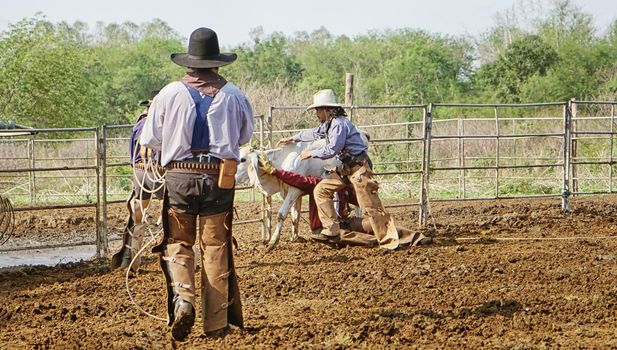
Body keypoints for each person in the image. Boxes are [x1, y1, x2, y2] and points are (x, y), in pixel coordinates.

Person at [139, 27, 254, 341]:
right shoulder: (234, 95)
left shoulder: (168, 93)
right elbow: (244, 137)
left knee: (179, 242)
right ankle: (216, 321)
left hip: (179, 177)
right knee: (215, 246)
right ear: (217, 63)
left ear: (189, 63)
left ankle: (185, 299)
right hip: (220, 176)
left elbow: (150, 138)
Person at [278, 89, 400, 249]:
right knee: (321, 190)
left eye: (317, 109)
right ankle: (331, 230)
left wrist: (311, 153)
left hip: (358, 169)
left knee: (371, 207)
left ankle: (390, 242)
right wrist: (293, 137)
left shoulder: (339, 125)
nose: (316, 113)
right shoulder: (329, 124)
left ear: (326, 109)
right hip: (347, 168)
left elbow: (332, 149)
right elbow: (314, 133)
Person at [257, 153, 428, 248]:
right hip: (323, 229)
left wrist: (369, 194)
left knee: (371, 224)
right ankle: (382, 242)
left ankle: (415, 237)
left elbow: (359, 199)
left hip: (346, 220)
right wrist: (275, 172)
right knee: (346, 235)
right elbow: (296, 179)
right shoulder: (316, 183)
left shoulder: (344, 185)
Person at [111, 90, 162, 272]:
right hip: (161, 172)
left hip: (140, 172)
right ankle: (176, 257)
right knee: (177, 211)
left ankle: (131, 258)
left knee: (138, 213)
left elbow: (131, 150)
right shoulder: (164, 123)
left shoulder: (140, 123)